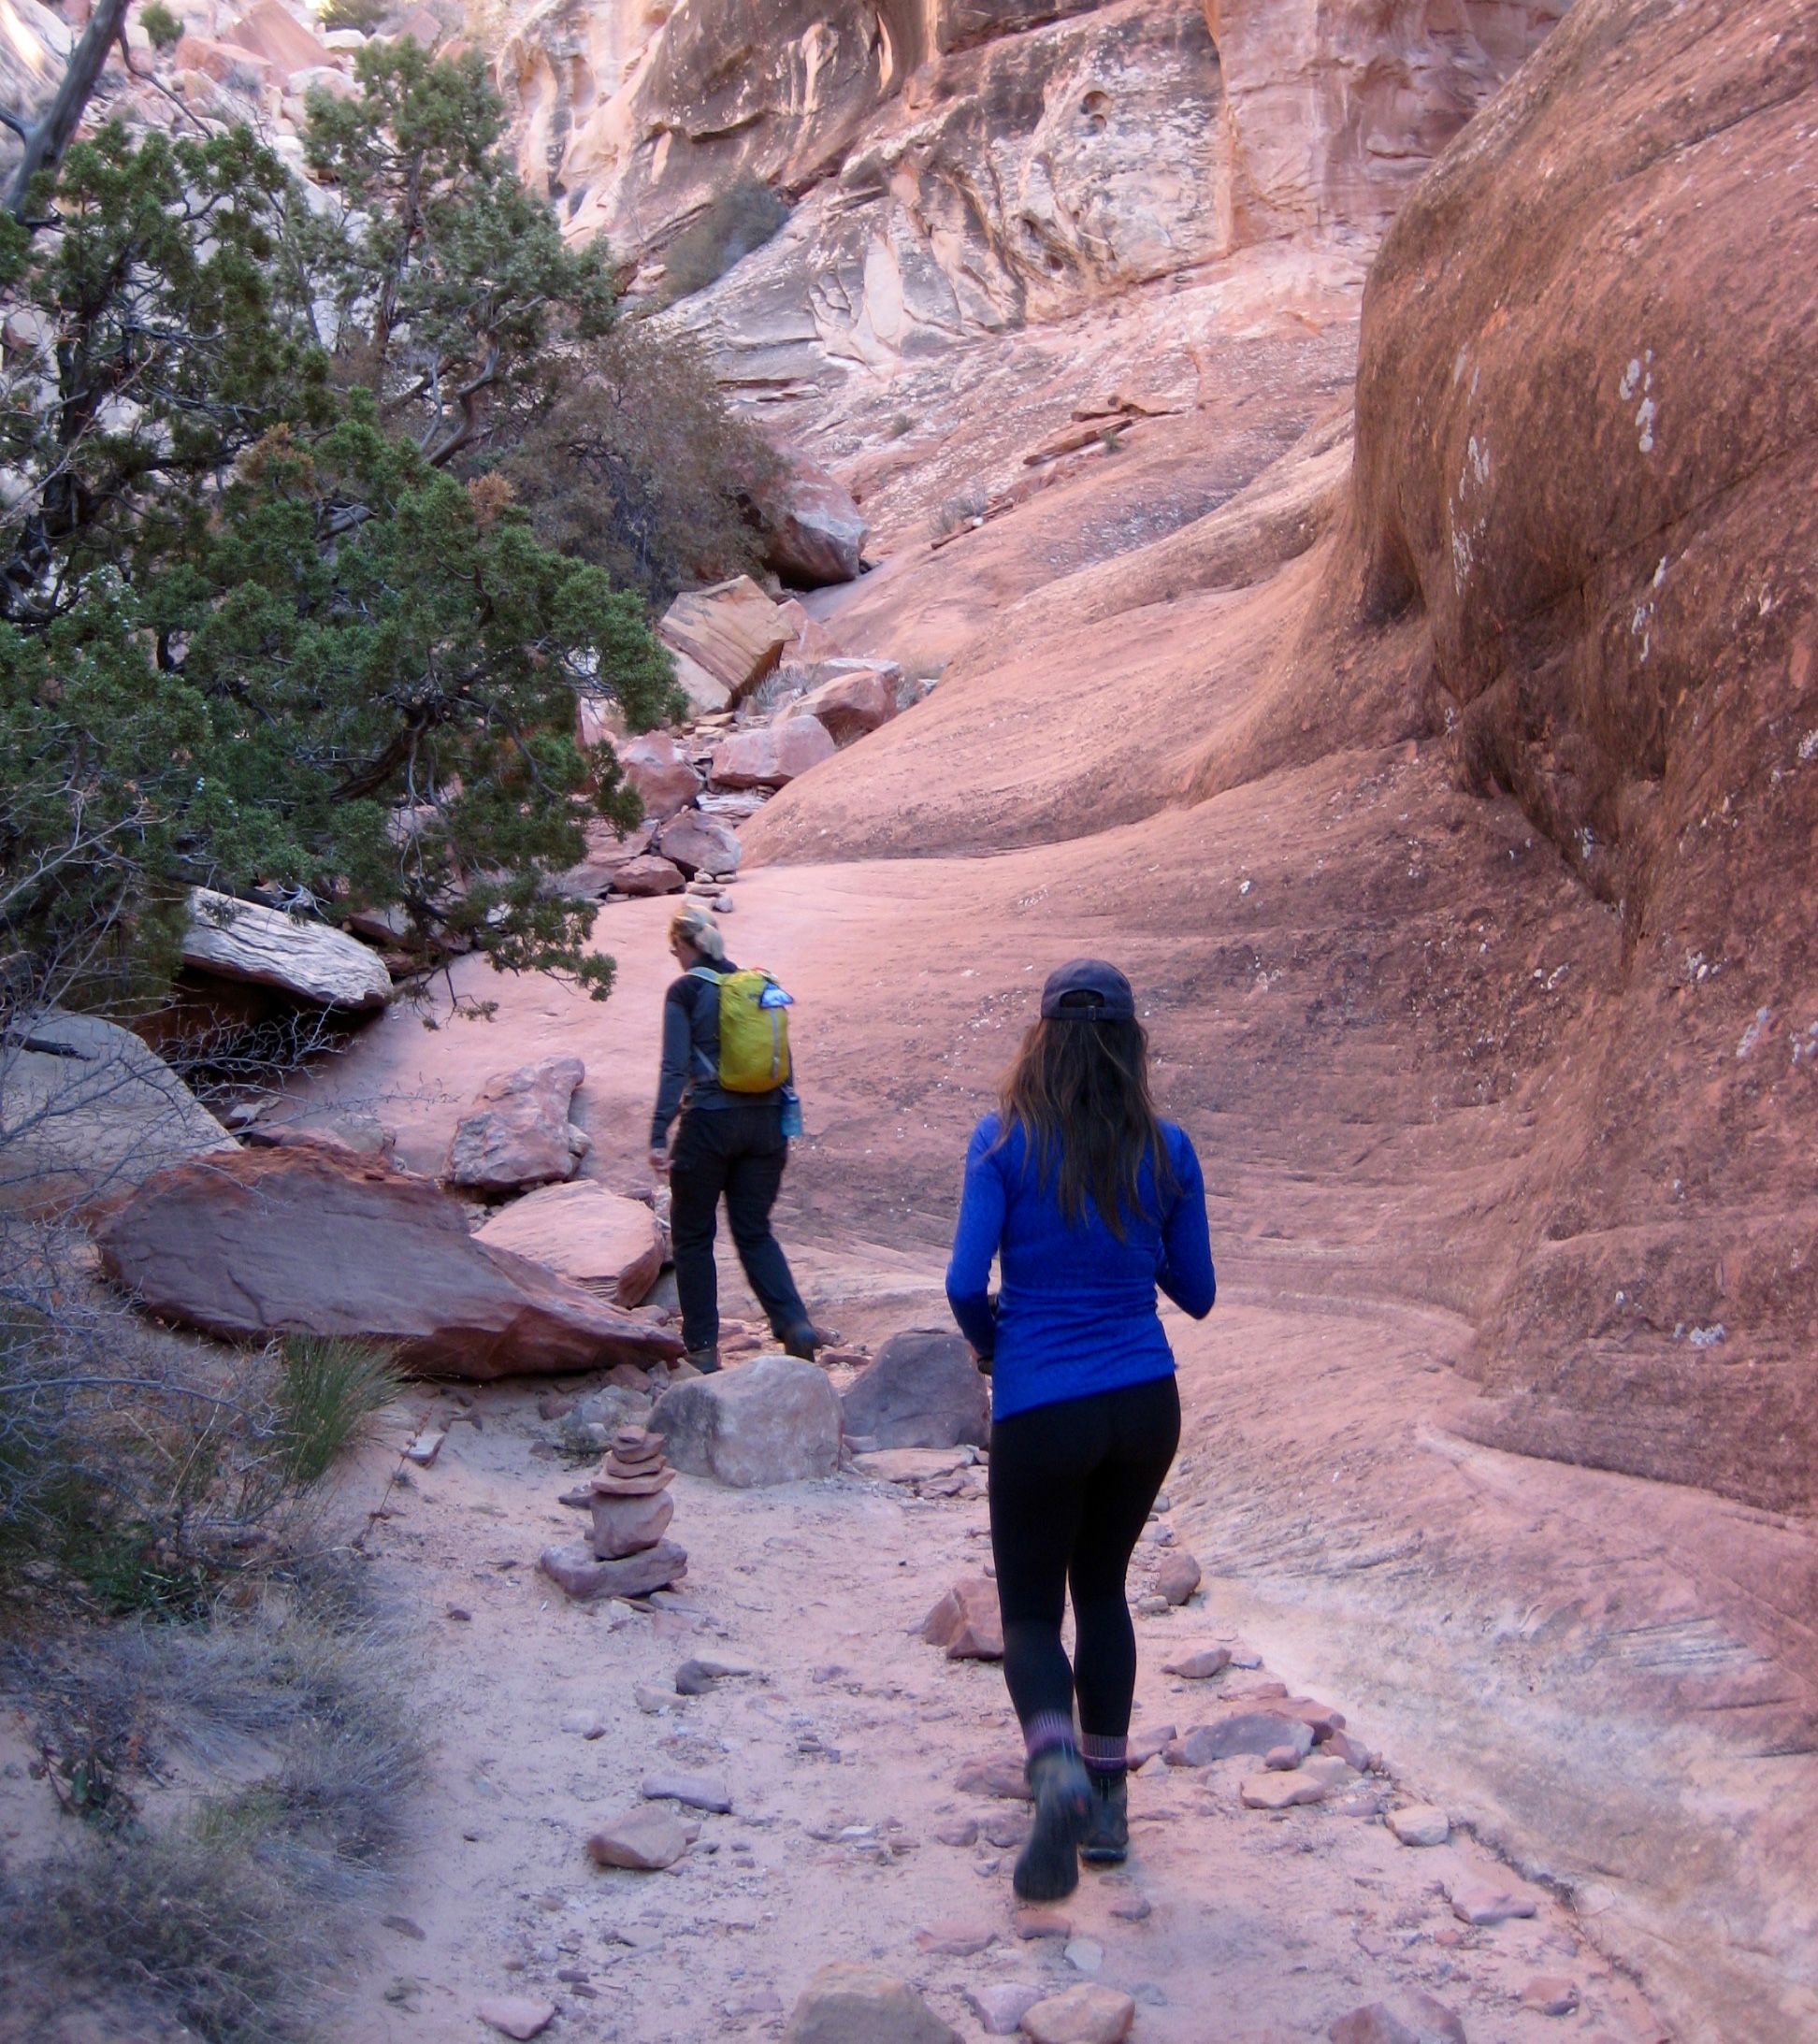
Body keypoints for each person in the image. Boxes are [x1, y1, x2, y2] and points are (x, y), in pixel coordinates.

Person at [945, 958, 1215, 1902]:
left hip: (1041, 1403)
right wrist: (1134, 1239)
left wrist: (995, 1346)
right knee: (1102, 1590)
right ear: (1131, 1044)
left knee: (1029, 1613)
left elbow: (962, 1282)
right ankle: (1107, 1807)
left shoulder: (1002, 1141)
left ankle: (1054, 1765)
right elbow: (1197, 1291)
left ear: (1043, 1041)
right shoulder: (1167, 1149)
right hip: (1144, 1401)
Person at [649, 903, 818, 1373]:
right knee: (754, 1230)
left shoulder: (685, 990)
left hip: (708, 1125)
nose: (675, 958)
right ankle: (795, 1324)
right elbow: (783, 1062)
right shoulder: (755, 986)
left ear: (684, 945)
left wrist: (659, 1132)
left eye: (674, 950)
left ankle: (703, 1348)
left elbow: (674, 1068)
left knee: (692, 1234)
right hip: (766, 1127)